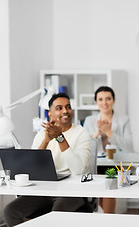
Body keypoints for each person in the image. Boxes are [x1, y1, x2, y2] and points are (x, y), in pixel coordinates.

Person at [4, 93, 91, 227]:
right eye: (59, 108)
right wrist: (46, 140)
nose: (65, 111)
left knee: (56, 215)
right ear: (50, 114)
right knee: (10, 211)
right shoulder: (41, 133)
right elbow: (33, 166)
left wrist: (60, 137)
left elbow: (79, 170)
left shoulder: (81, 133)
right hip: (44, 189)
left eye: (68, 107)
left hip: (71, 191)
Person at [83, 86, 133, 213]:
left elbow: (129, 147)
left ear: (114, 100)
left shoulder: (123, 120)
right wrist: (97, 134)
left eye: (108, 99)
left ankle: (108, 218)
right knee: (100, 187)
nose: (104, 103)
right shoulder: (89, 120)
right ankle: (103, 217)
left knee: (107, 185)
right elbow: (84, 145)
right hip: (97, 165)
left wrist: (109, 132)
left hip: (116, 164)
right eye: (100, 99)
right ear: (96, 102)